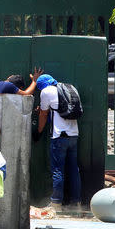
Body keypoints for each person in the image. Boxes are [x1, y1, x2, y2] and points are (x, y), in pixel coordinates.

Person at [35, 74, 81, 212]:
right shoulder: (69, 88)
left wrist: (39, 131)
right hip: (74, 134)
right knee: (74, 170)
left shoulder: (46, 91)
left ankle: (56, 205)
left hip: (59, 136)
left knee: (57, 170)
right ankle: (76, 204)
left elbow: (43, 114)